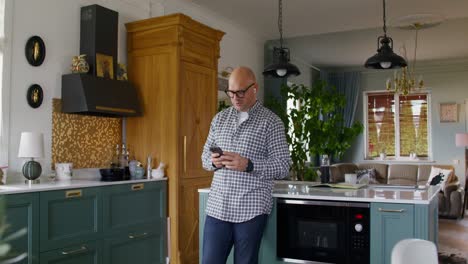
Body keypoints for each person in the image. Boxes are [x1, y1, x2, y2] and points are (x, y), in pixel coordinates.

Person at [201, 66, 291, 264]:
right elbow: (204, 159)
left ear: (255, 88)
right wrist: (214, 162)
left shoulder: (272, 122)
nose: (235, 97)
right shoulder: (219, 119)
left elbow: (283, 166)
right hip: (218, 207)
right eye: (231, 92)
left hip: (251, 209)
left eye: (241, 92)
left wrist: (249, 165)